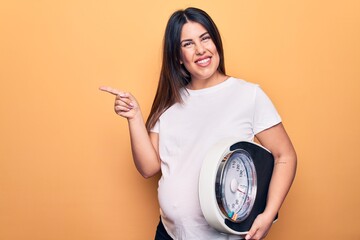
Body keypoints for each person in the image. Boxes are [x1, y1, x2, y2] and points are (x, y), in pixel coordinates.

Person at [100, 7, 297, 240]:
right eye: (188, 44)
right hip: (169, 234)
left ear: (216, 42)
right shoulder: (169, 104)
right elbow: (148, 168)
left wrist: (269, 214)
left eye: (205, 38)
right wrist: (134, 117)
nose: (201, 49)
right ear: (177, 56)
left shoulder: (248, 95)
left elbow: (285, 156)